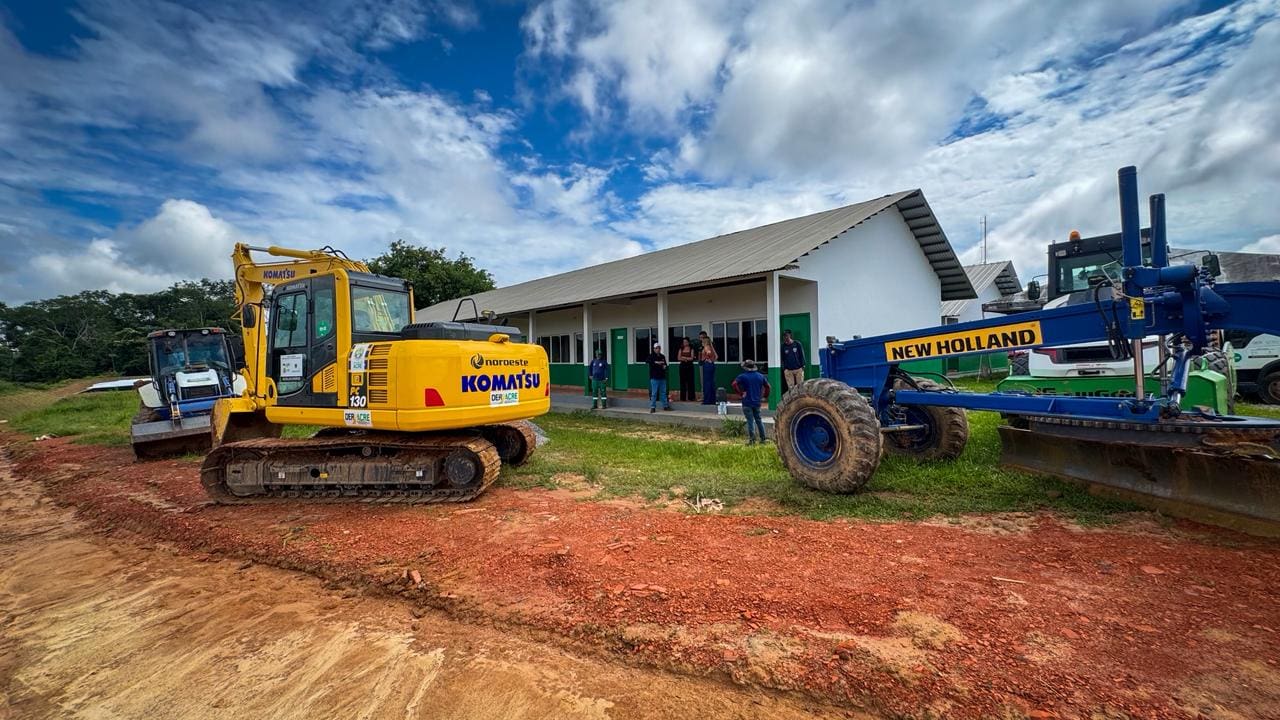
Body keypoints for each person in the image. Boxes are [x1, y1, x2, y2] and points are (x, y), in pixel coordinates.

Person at [732, 360, 771, 445]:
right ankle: (763, 439)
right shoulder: (760, 376)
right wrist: (765, 396)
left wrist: (740, 393)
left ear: (745, 368)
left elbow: (734, 384)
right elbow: (768, 386)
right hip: (757, 402)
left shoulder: (742, 376)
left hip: (747, 402)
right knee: (759, 420)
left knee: (750, 421)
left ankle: (752, 440)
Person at [646, 342, 672, 412]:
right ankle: (653, 407)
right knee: (654, 393)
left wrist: (664, 366)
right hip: (654, 378)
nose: (658, 349)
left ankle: (665, 406)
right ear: (654, 349)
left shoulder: (662, 356)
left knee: (663, 392)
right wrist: (656, 362)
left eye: (659, 348)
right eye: (656, 348)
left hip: (662, 377)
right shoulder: (651, 356)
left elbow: (665, 365)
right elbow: (647, 361)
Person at [781, 329, 806, 393]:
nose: (785, 337)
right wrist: (784, 368)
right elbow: (782, 358)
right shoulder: (783, 346)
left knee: (800, 386)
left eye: (787, 335)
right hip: (788, 370)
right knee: (791, 388)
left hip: (798, 368)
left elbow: (801, 355)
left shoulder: (797, 344)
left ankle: (801, 401)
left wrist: (803, 365)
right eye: (784, 336)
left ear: (790, 335)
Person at [698, 330, 718, 405]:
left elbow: (708, 353)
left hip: (707, 365)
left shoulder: (706, 347)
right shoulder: (711, 347)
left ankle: (707, 400)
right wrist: (711, 360)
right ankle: (712, 399)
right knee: (711, 382)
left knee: (707, 383)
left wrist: (707, 358)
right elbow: (716, 356)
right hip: (712, 364)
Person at [676, 336, 696, 401]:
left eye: (686, 342)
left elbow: (692, 358)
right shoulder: (681, 349)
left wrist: (684, 358)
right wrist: (686, 358)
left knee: (690, 382)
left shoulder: (691, 349)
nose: (685, 343)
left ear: (688, 342)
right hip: (682, 367)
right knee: (682, 382)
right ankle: (683, 398)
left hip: (689, 366)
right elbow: (678, 358)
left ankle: (691, 397)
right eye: (684, 342)